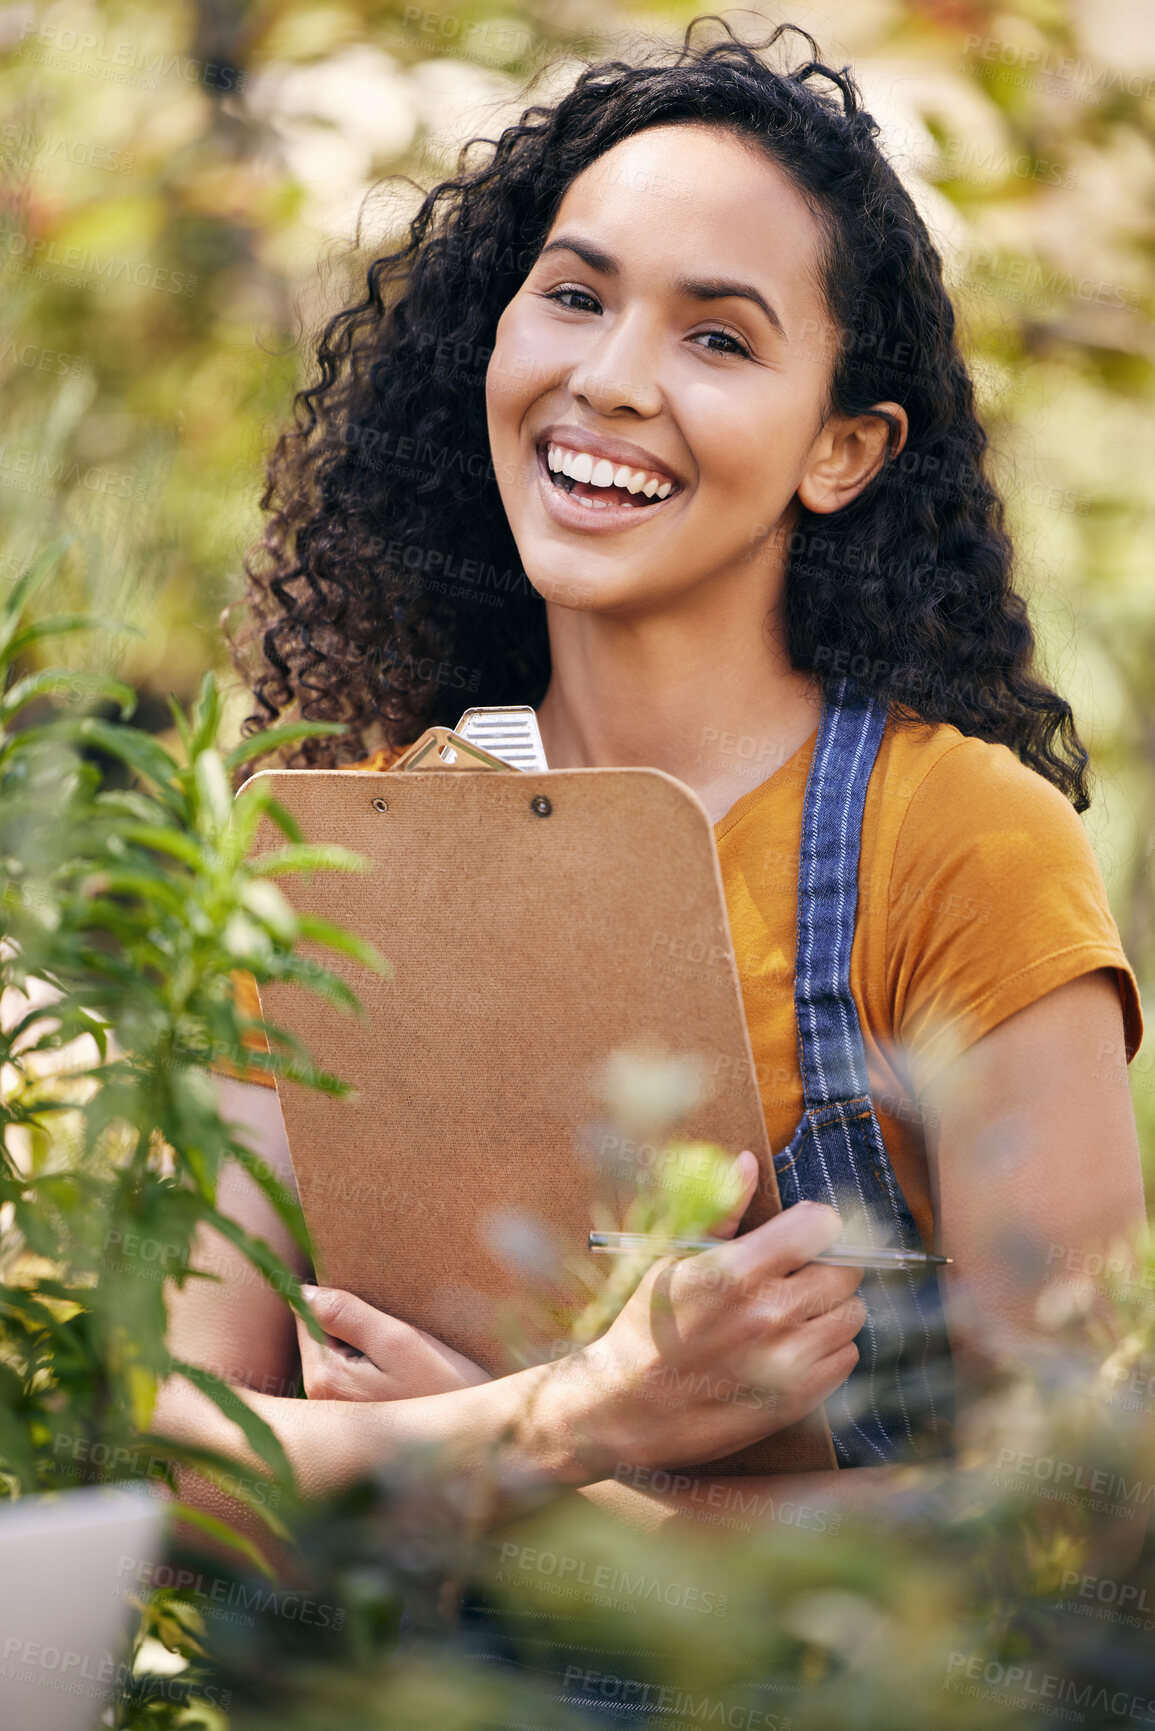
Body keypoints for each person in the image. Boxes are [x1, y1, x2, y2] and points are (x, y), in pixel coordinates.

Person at [162, 20, 1145, 1536]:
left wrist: (526, 1492)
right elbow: (192, 1459)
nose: (610, 379)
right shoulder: (342, 825)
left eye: (717, 336)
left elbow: (1071, 1512)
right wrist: (574, 1420)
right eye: (573, 295)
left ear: (842, 448)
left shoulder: (958, 844)